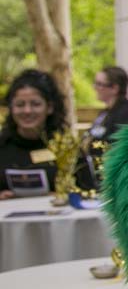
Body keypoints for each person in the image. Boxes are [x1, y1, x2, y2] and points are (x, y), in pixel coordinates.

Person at [0, 69, 89, 198]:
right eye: (20, 104)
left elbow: (90, 194)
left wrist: (61, 196)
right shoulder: (2, 148)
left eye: (35, 104)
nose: (27, 111)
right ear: (11, 108)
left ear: (50, 107)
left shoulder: (67, 149)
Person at [88, 65, 128, 150]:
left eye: (99, 84)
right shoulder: (106, 112)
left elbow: (119, 149)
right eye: (95, 83)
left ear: (115, 88)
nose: (95, 88)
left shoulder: (125, 114)